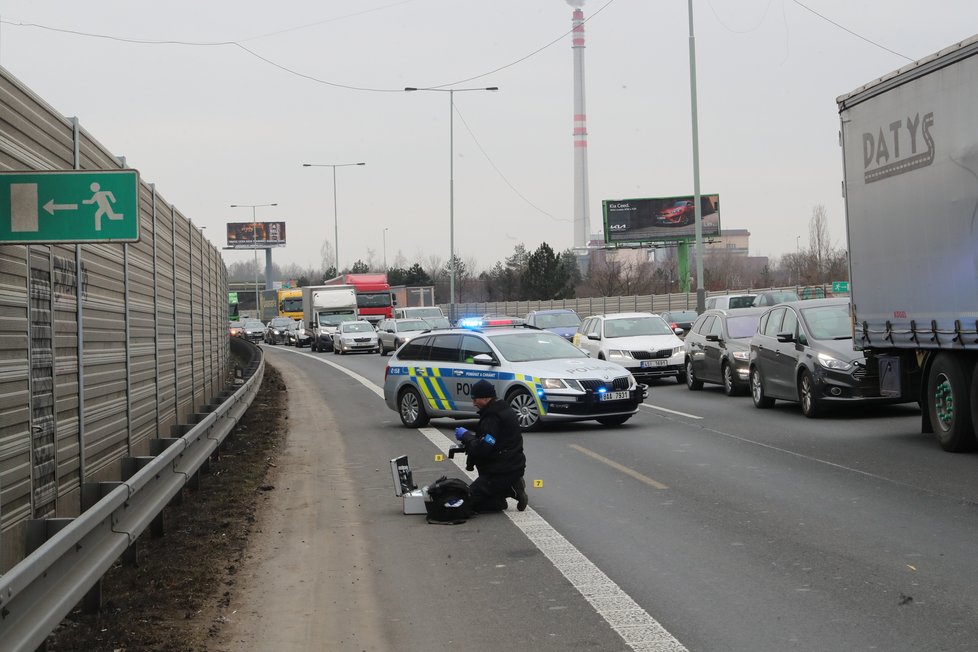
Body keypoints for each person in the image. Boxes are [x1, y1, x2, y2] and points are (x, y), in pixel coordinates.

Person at [454, 380, 528, 512]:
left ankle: (509, 490)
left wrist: (466, 436)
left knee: (467, 502)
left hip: (498, 472)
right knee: (492, 501)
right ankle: (507, 490)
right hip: (512, 466)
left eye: (475, 399)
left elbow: (483, 448)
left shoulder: (492, 417)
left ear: (485, 397)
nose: (474, 403)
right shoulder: (502, 408)